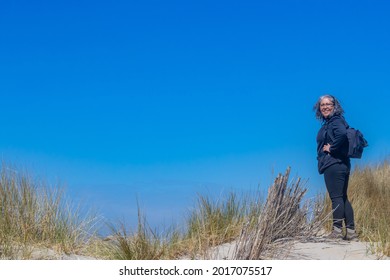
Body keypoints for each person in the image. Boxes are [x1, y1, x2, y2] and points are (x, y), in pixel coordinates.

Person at [314, 95, 358, 241]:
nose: (325, 107)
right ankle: (351, 232)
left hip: (334, 164)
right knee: (342, 197)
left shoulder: (335, 121)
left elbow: (343, 135)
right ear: (319, 108)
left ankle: (337, 231)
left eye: (328, 104)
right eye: (322, 105)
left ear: (334, 106)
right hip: (341, 164)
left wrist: (331, 148)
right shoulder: (331, 122)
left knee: (336, 198)